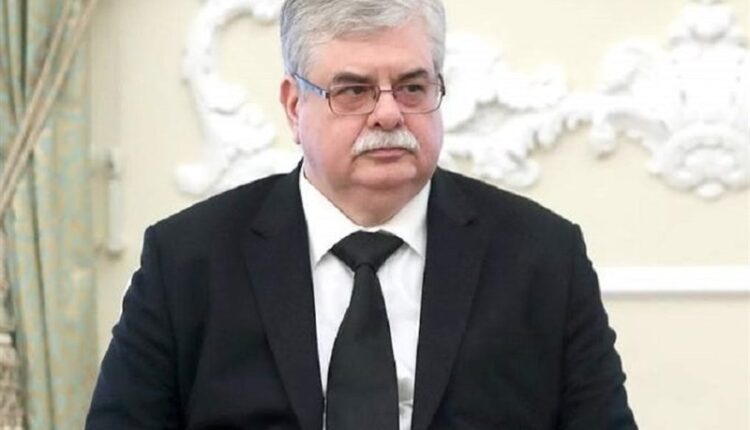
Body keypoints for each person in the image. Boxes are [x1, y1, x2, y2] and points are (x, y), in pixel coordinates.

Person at [86, 0, 638, 429]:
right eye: (353, 91)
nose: (389, 113)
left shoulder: (542, 257)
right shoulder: (188, 261)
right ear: (294, 106)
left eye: (413, 87)